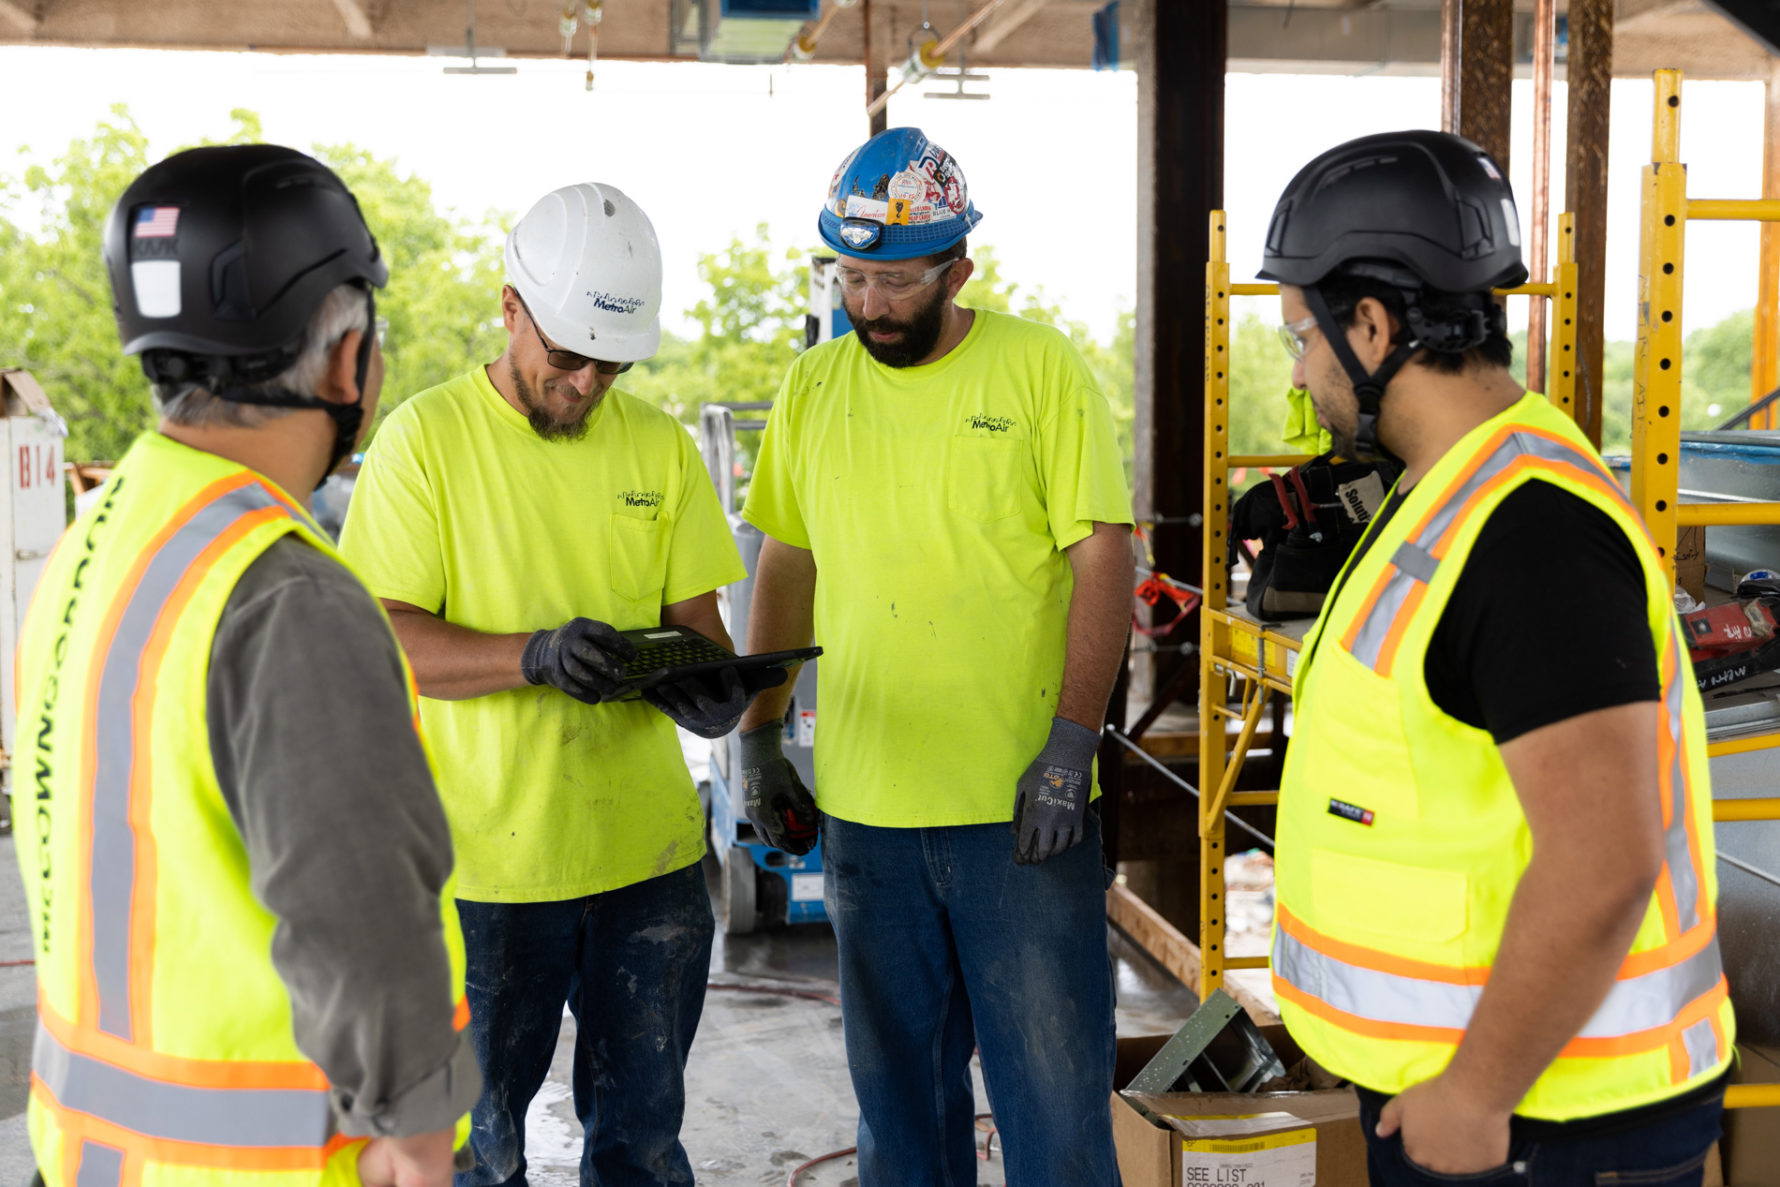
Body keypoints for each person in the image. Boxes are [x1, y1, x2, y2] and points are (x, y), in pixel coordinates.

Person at [1259, 129, 1734, 1186]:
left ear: (1371, 326)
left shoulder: (1528, 536)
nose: (1300, 370)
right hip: (1491, 1098)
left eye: (1302, 337)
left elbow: (1604, 856)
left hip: (1543, 1116)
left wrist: (1475, 1091)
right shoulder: (1454, 489)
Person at [15, 144, 478, 1187]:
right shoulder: (284, 594)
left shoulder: (102, 538)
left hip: (92, 1153)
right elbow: (359, 905)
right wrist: (413, 1134)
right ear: (346, 356)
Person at [338, 182, 776, 1187]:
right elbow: (381, 639)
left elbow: (697, 628)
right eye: (566, 357)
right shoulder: (423, 444)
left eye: (609, 366)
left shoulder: (657, 446)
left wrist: (713, 689)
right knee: (476, 1159)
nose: (584, 385)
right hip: (483, 877)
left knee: (642, 1147)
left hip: (649, 866)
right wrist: (528, 655)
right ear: (509, 309)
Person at [736, 127, 1135, 1185]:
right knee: (901, 1117)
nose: (869, 303)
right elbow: (786, 560)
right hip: (868, 817)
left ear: (959, 268)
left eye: (896, 280)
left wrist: (1069, 744)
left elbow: (1104, 557)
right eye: (852, 275)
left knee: (1052, 1112)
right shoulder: (814, 388)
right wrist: (761, 733)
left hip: (1021, 817)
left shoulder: (1039, 367)